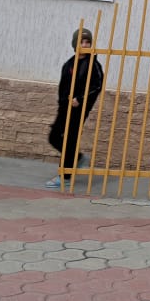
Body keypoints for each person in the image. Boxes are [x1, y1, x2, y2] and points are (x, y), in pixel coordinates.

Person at [46, 27, 105, 189]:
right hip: (64, 108)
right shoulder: (69, 64)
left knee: (70, 139)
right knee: (54, 137)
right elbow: (63, 86)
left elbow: (97, 86)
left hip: (79, 109)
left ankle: (65, 176)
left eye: (87, 42)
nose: (85, 45)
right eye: (81, 42)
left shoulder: (93, 65)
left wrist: (80, 99)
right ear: (75, 44)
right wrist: (62, 103)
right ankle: (77, 158)